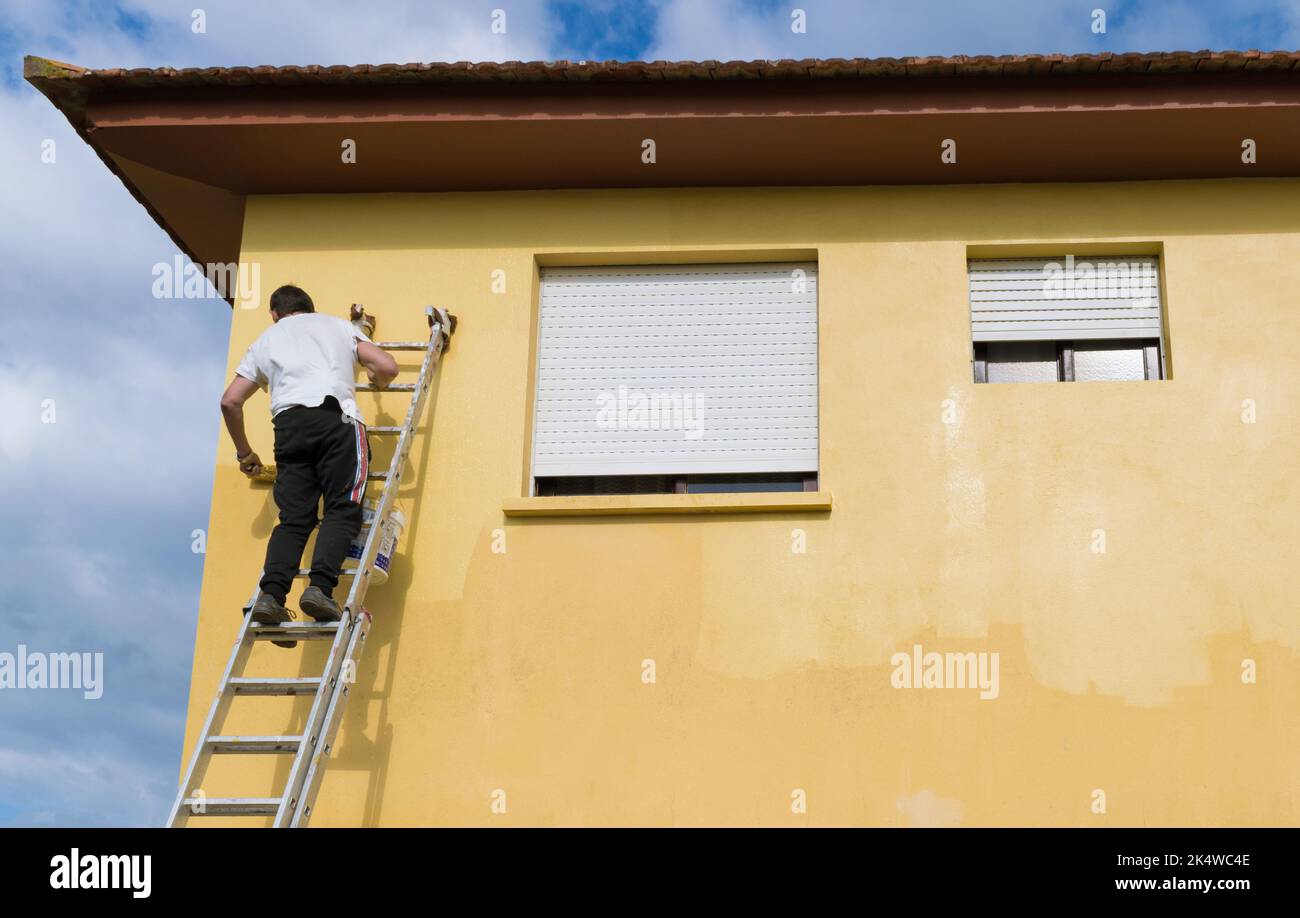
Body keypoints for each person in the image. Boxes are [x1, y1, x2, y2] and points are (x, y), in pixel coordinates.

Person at [220, 285, 398, 639]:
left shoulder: (266, 340)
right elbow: (386, 366)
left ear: (275, 313)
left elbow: (230, 401)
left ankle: (271, 596)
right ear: (310, 308)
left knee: (294, 519)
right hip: (339, 422)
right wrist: (378, 381)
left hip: (289, 427)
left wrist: (245, 453)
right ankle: (319, 589)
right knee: (343, 508)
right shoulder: (338, 327)